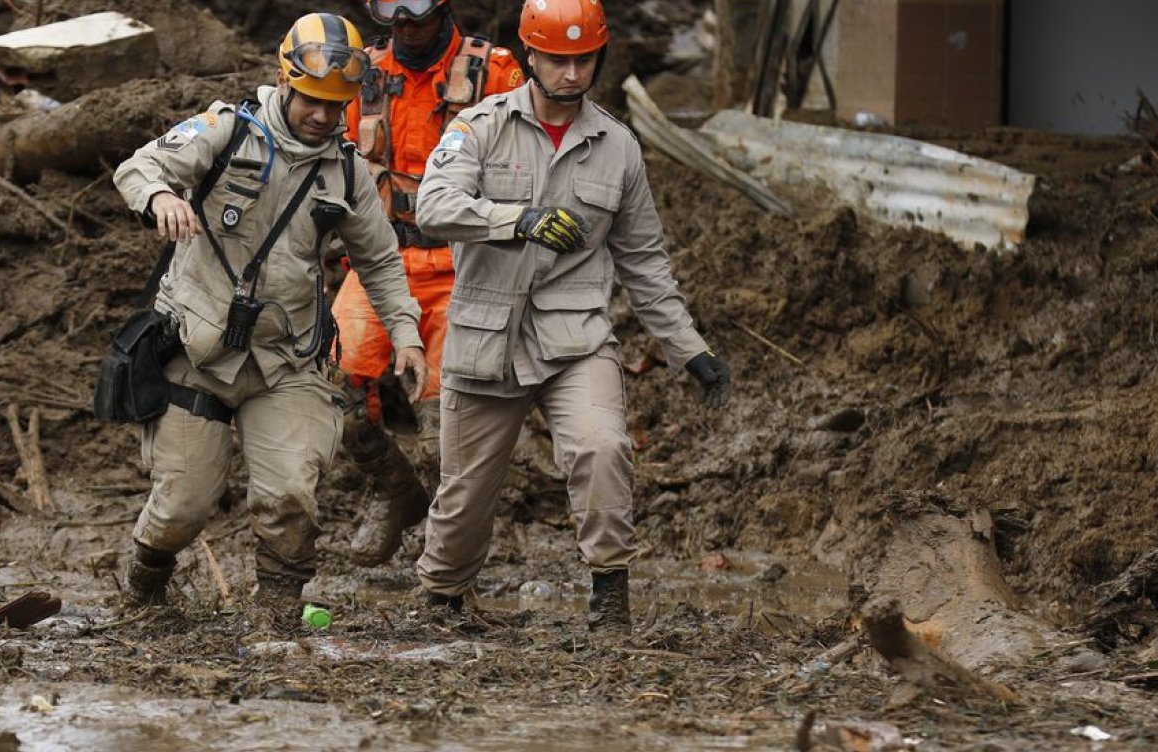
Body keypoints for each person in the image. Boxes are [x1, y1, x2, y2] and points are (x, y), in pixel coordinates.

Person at [411, 0, 733, 634]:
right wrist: (515, 220)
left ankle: (610, 598)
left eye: (583, 58)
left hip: (574, 336)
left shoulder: (618, 147)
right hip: (486, 337)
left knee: (603, 447)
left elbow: (644, 261)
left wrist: (689, 348)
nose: (571, 72)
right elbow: (433, 206)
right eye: (557, 58)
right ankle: (443, 600)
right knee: (465, 493)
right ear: (531, 55)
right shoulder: (479, 128)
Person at [111, 12, 428, 625]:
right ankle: (145, 586)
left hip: (286, 356)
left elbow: (382, 262)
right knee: (182, 505)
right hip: (197, 353)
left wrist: (408, 337)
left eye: (337, 106)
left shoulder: (347, 170)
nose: (323, 116)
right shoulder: (227, 131)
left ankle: (278, 616)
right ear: (285, 82)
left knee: (289, 492)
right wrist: (161, 198)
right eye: (312, 100)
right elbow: (138, 167)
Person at [334, 0, 524, 567]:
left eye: (416, 7)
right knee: (330, 394)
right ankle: (393, 491)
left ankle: (449, 549)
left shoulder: (494, 73)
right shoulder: (359, 74)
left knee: (450, 424)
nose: (404, 20)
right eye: (390, 7)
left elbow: (532, 162)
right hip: (380, 262)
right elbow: (322, 155)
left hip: (466, 266)